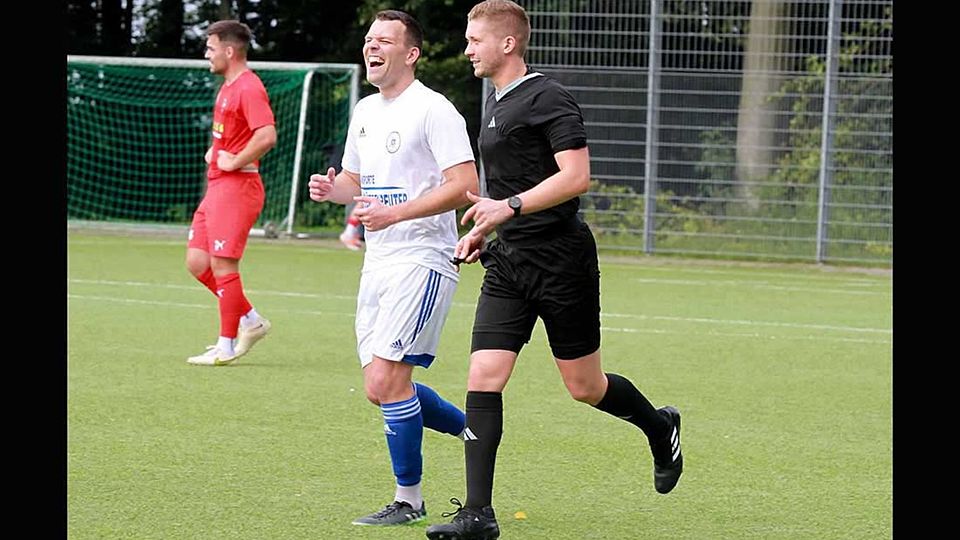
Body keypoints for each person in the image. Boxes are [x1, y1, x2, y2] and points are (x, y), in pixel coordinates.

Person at [426, 1, 683, 538]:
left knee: (585, 386)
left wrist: (510, 207)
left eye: (475, 40)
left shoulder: (549, 97)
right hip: (508, 265)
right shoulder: (494, 104)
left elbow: (576, 176)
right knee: (483, 376)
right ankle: (477, 514)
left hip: (561, 263)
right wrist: (481, 229)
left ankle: (659, 427)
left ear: (508, 43)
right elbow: (507, 187)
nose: (467, 49)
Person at [307, 10, 480, 527]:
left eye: (384, 40)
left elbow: (463, 183)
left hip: (423, 259)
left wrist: (396, 213)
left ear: (411, 53)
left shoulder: (435, 110)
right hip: (378, 263)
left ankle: (409, 501)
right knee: (379, 388)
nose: (371, 47)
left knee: (388, 379)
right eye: (368, 39)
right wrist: (333, 190)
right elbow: (356, 186)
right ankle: (476, 431)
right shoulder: (364, 110)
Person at [185, 20, 275, 366]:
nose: (206, 54)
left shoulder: (249, 87)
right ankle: (250, 320)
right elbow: (229, 135)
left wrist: (235, 160)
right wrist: (216, 151)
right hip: (218, 187)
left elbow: (266, 135)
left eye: (210, 48)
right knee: (197, 262)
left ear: (229, 50)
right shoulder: (227, 87)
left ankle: (226, 346)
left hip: (238, 188)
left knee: (223, 264)